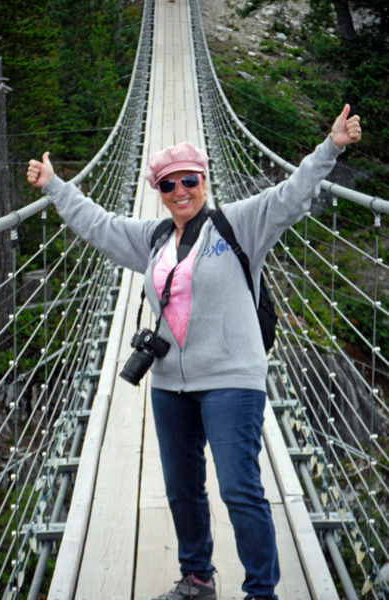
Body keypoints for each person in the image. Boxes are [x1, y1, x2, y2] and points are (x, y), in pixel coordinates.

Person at [27, 104, 361, 600]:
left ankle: (260, 592)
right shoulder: (153, 238)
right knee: (183, 490)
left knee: (239, 490)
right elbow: (97, 225)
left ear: (203, 180)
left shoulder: (239, 224)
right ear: (158, 192)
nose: (180, 191)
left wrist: (330, 147)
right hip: (169, 384)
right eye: (168, 184)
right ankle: (197, 578)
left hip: (231, 379)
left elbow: (292, 195)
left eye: (188, 180)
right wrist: (56, 185)